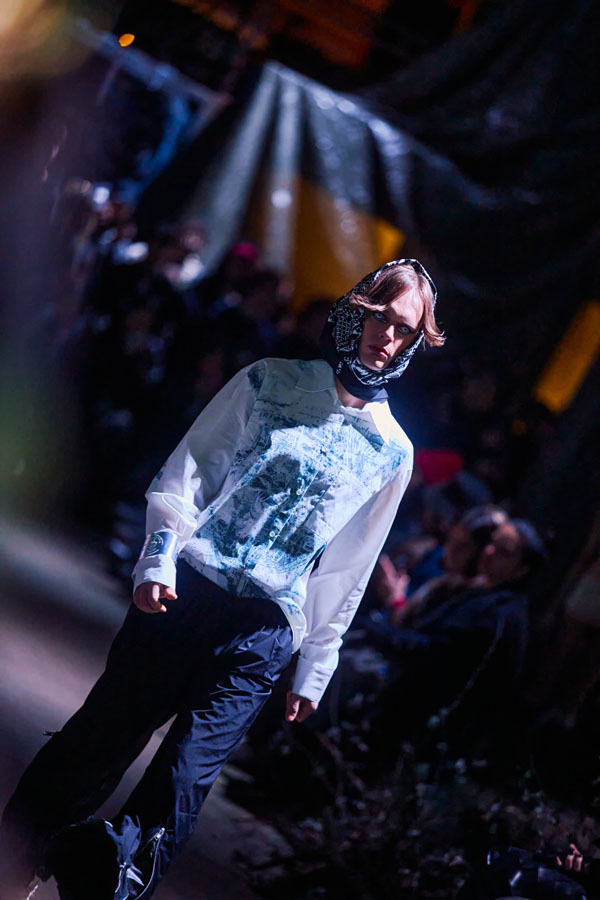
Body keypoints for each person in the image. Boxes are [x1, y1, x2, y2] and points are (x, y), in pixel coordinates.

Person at [0, 259, 444, 900]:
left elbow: (351, 565)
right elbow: (190, 472)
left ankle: (109, 888)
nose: (389, 337)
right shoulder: (270, 381)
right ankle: (15, 865)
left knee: (181, 783)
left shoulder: (392, 451)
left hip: (265, 631)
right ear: (357, 312)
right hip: (187, 591)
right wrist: (158, 558)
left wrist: (316, 664)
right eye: (382, 318)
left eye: (406, 330)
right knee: (98, 744)